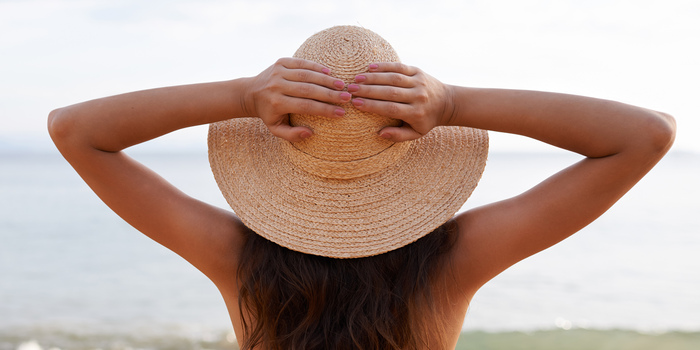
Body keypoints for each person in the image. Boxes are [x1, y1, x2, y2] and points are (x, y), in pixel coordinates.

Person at [48, 26, 675, 350]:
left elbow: (75, 130)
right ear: (414, 142)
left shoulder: (235, 258)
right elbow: (643, 135)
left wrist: (238, 94)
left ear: (277, 145)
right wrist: (457, 101)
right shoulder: (454, 262)